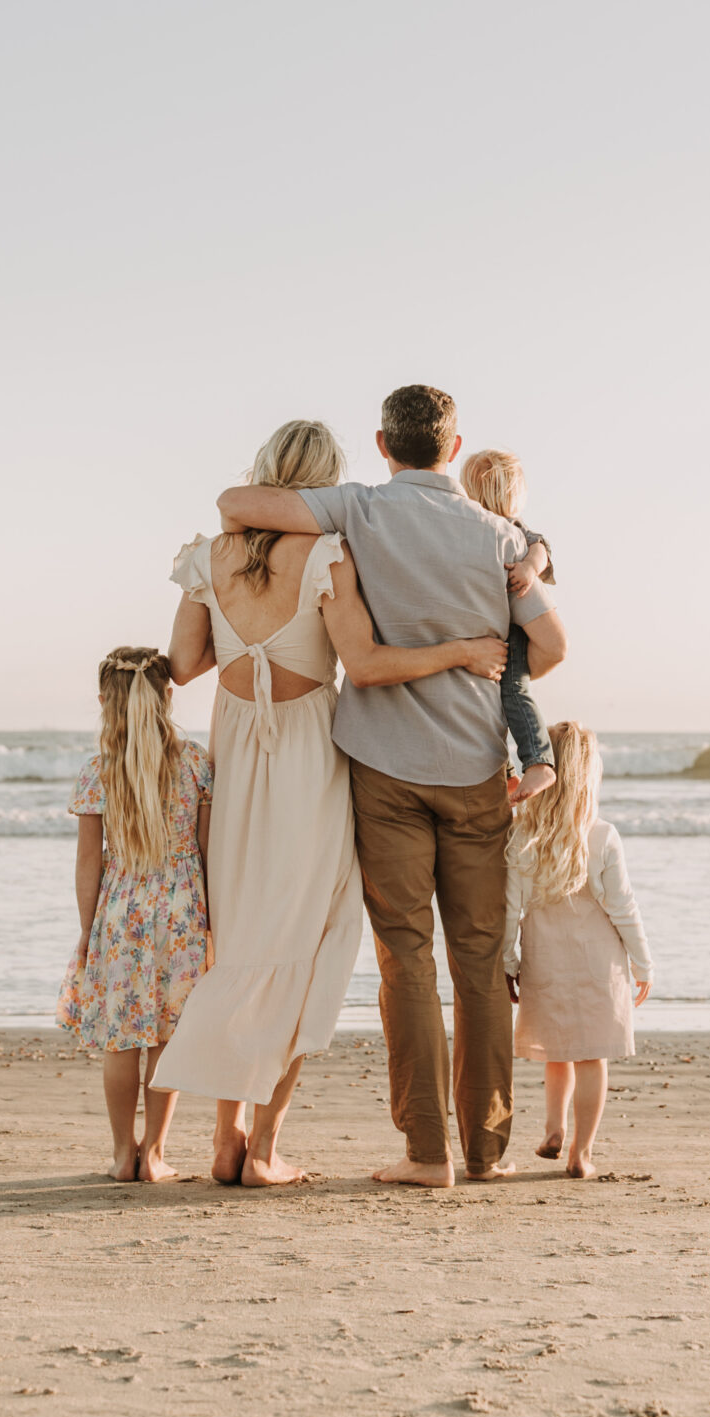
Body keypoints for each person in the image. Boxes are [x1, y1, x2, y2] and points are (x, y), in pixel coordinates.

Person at [216, 382, 567, 1187]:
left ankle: (424, 1154)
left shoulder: (357, 510)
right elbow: (551, 647)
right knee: (477, 961)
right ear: (452, 446)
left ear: (382, 445)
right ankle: (484, 1153)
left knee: (404, 959)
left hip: (381, 767)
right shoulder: (498, 535)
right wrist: (488, 664)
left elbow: (236, 501)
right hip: (476, 767)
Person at [156, 418, 508, 1187]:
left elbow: (184, 664)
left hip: (238, 757)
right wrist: (462, 652)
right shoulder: (325, 554)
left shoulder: (203, 558)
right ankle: (265, 1151)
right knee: (312, 940)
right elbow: (367, 665)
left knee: (241, 939)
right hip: (311, 759)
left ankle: (225, 1137)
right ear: (319, 486)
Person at [59, 645, 212, 1183]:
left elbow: (87, 865)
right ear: (167, 697)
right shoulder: (194, 761)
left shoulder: (98, 771)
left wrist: (87, 932)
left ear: (105, 702)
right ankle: (155, 1154)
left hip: (121, 915)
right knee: (166, 1037)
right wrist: (213, 923)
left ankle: (123, 1154)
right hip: (181, 913)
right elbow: (208, 849)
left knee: (121, 1038)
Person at [503, 721, 653, 1180]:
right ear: (590, 774)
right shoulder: (602, 834)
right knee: (592, 1058)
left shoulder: (523, 834)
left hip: (544, 960)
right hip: (598, 965)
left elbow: (510, 908)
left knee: (556, 1053)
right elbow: (623, 906)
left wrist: (509, 962)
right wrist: (642, 961)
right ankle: (580, 1154)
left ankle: (552, 1129)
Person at [459, 447, 558, 801]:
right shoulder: (469, 528)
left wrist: (530, 568)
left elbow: (541, 547)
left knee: (513, 692)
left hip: (511, 633)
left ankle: (539, 763)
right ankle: (508, 772)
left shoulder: (515, 533)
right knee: (493, 705)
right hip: (486, 631)